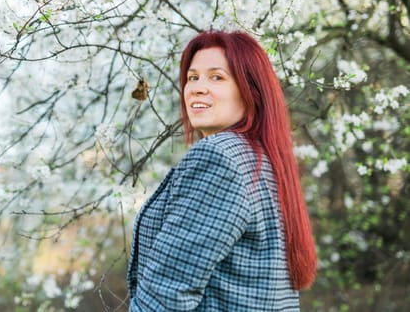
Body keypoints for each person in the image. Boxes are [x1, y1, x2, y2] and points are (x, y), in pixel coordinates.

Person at [126, 30, 317, 311]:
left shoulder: (219, 158)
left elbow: (166, 295)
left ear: (250, 91)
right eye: (193, 77)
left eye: (217, 77)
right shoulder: (262, 160)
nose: (197, 88)